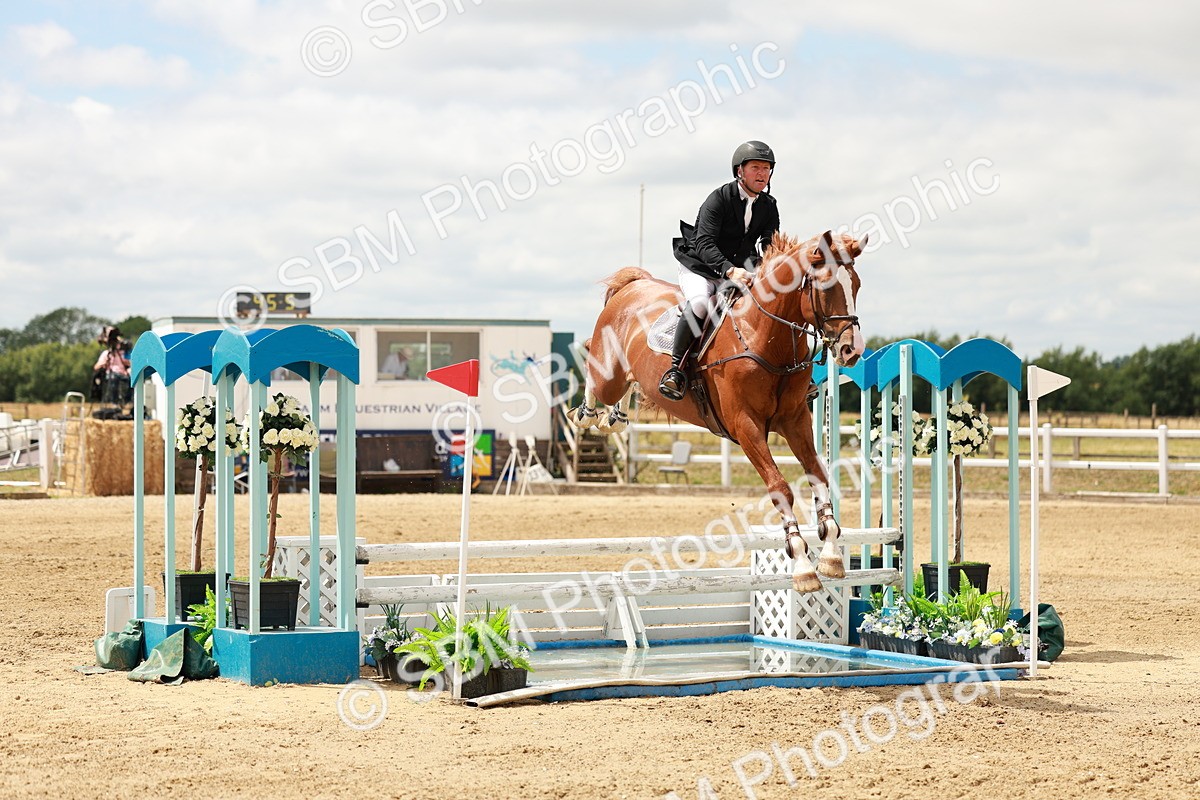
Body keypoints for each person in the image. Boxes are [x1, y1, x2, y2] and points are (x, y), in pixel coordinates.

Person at [659, 140, 780, 401]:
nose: (762, 174)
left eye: (767, 168)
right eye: (756, 168)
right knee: (702, 303)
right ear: (740, 171)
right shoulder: (719, 199)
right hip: (700, 265)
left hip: (740, 268)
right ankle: (675, 370)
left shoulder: (768, 205)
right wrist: (728, 270)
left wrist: (770, 265)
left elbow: (769, 241)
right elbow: (704, 242)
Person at [94, 327, 132, 405]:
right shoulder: (106, 353)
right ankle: (114, 403)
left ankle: (126, 401)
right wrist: (104, 363)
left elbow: (129, 363)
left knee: (133, 381)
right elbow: (96, 367)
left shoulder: (123, 354)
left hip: (123, 374)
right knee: (114, 378)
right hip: (112, 375)